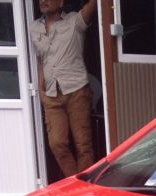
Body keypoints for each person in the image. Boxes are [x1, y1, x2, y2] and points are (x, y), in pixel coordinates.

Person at [29, 0, 97, 177]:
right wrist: (41, 90)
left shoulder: (75, 21)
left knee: (83, 144)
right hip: (51, 94)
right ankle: (73, 183)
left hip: (77, 91)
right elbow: (41, 60)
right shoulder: (34, 28)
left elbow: (92, 7)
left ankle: (84, 186)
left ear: (61, 2)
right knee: (57, 143)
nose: (43, 1)